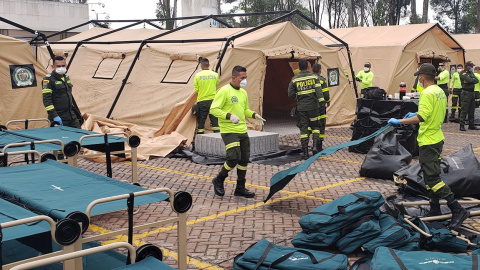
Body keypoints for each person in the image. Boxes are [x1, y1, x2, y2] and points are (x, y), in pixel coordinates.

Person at [388, 63, 469, 230]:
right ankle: (434, 208)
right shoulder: (439, 91)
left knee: (432, 179)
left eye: (419, 76)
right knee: (432, 174)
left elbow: (423, 117)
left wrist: (401, 122)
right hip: (437, 138)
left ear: (422, 77)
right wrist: (416, 113)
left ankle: (457, 209)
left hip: (429, 141)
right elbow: (432, 112)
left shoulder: (426, 93)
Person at [210, 65, 265, 198]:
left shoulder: (243, 92)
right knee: (233, 157)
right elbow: (213, 109)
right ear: (234, 78)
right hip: (229, 130)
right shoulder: (224, 91)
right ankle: (219, 179)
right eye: (242, 78)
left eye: (246, 77)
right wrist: (229, 116)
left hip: (242, 130)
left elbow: (244, 110)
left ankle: (240, 187)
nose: (245, 80)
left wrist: (253, 115)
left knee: (244, 159)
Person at [288, 60, 323, 160]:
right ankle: (315, 146)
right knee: (316, 126)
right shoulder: (314, 77)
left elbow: (290, 94)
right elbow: (319, 92)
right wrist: (321, 105)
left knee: (304, 129)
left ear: (299, 68)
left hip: (302, 108)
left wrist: (298, 95)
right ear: (308, 67)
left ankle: (305, 153)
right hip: (313, 107)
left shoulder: (294, 79)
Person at [42, 56, 81, 128]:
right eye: (58, 66)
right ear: (53, 66)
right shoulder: (48, 80)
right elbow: (47, 100)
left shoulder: (66, 77)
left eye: (63, 65)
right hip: (58, 116)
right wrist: (54, 116)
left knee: (79, 135)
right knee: (61, 138)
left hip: (71, 115)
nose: (61, 68)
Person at [193, 57, 220, 134]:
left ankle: (200, 136)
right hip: (213, 100)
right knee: (214, 120)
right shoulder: (215, 75)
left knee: (201, 120)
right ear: (209, 65)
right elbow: (216, 83)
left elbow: (196, 89)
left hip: (202, 100)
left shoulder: (197, 76)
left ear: (201, 65)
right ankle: (217, 136)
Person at [312, 63, 330, 151]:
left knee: (311, 125)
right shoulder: (322, 80)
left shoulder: (310, 79)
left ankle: (311, 145)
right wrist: (328, 101)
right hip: (321, 106)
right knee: (321, 124)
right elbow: (325, 93)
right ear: (320, 70)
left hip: (311, 106)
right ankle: (319, 145)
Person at [459, 61, 479, 131]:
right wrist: (471, 80)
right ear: (467, 66)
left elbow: (476, 80)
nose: (472, 68)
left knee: (471, 109)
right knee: (464, 109)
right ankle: (462, 125)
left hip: (472, 92)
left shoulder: (471, 73)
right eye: (471, 66)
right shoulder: (462, 73)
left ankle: (471, 124)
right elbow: (469, 79)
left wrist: (471, 80)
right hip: (466, 93)